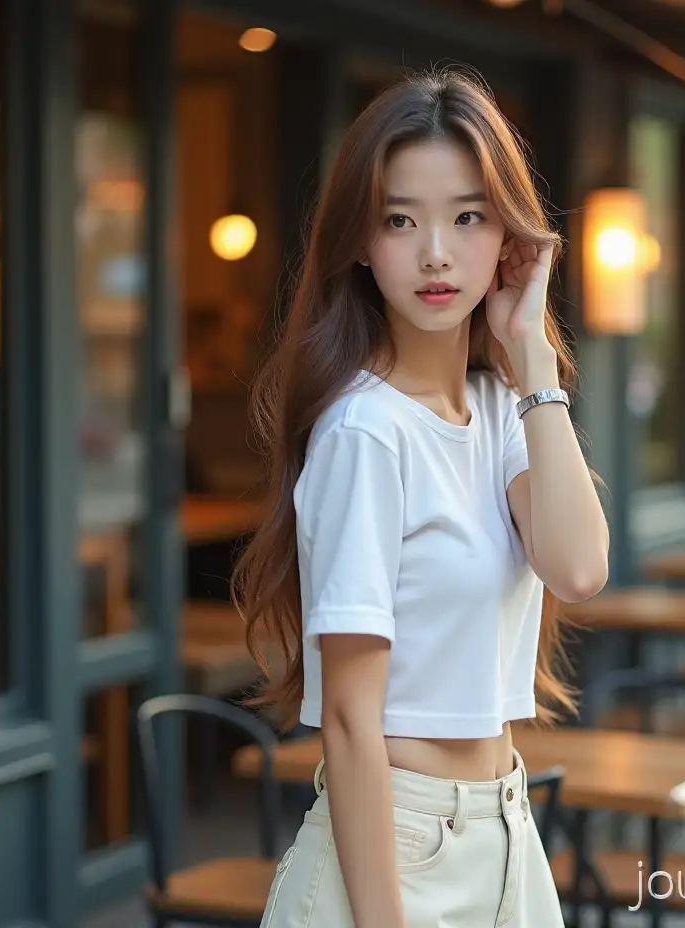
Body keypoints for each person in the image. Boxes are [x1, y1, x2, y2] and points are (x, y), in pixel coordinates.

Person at [231, 66, 610, 928]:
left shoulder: (499, 407)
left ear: (507, 238)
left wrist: (535, 362)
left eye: (468, 216)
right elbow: (351, 724)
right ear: (362, 244)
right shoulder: (366, 433)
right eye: (401, 220)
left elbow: (580, 567)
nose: (436, 251)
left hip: (507, 835)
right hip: (396, 855)